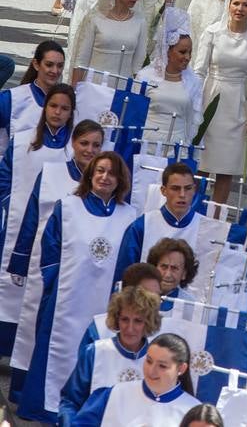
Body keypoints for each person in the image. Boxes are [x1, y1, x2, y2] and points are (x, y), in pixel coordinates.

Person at [17, 152, 135, 422]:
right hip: (67, 298)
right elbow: (50, 250)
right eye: (100, 171)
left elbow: (132, 258)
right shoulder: (68, 207)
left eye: (111, 173)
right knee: (56, 351)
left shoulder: (130, 215)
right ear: (90, 175)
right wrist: (56, 285)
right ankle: (45, 409)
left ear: (120, 180)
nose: (105, 177)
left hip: (108, 301)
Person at [0, 83, 75, 358]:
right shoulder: (22, 142)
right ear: (45, 109)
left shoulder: (74, 150)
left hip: (54, 234)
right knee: (8, 290)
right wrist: (9, 204)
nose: (57, 112)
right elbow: (5, 177)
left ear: (71, 113)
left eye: (64, 108)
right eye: (53, 106)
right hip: (18, 223)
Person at [195, 0, 247, 203]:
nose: (240, 8)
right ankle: (194, 210)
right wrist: (195, 104)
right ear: (228, 5)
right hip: (211, 99)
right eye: (236, 3)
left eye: (245, 5)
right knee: (202, 165)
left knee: (226, 169)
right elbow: (198, 71)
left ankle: (216, 216)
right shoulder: (212, 32)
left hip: (238, 104)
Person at [113, 162, 225, 294]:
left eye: (188, 188)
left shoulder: (209, 229)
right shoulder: (142, 226)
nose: (182, 194)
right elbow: (124, 276)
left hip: (187, 311)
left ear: (195, 190)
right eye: (175, 188)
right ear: (163, 191)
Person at [59, 286, 162, 421]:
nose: (130, 328)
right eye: (125, 319)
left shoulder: (159, 359)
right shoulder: (94, 352)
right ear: (116, 319)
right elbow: (70, 402)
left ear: (148, 323)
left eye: (138, 321)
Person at [69, 334, 199, 424]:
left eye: (162, 366)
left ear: (181, 369)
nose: (151, 370)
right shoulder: (114, 394)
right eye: (148, 361)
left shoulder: (194, 412)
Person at [135, 8, 202, 145]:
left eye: (190, 52)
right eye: (182, 52)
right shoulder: (145, 77)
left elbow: (192, 120)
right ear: (167, 51)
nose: (187, 57)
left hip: (177, 146)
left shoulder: (193, 82)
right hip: (145, 143)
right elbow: (135, 113)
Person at [0, 40, 65, 153]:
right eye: (49, 65)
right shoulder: (12, 99)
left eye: (60, 66)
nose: (55, 71)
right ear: (36, 64)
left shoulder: (67, 102)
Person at [146, 237, 199, 302]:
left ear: (184, 274)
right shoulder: (135, 298)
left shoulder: (190, 305)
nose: (168, 275)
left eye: (174, 268)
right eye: (164, 267)